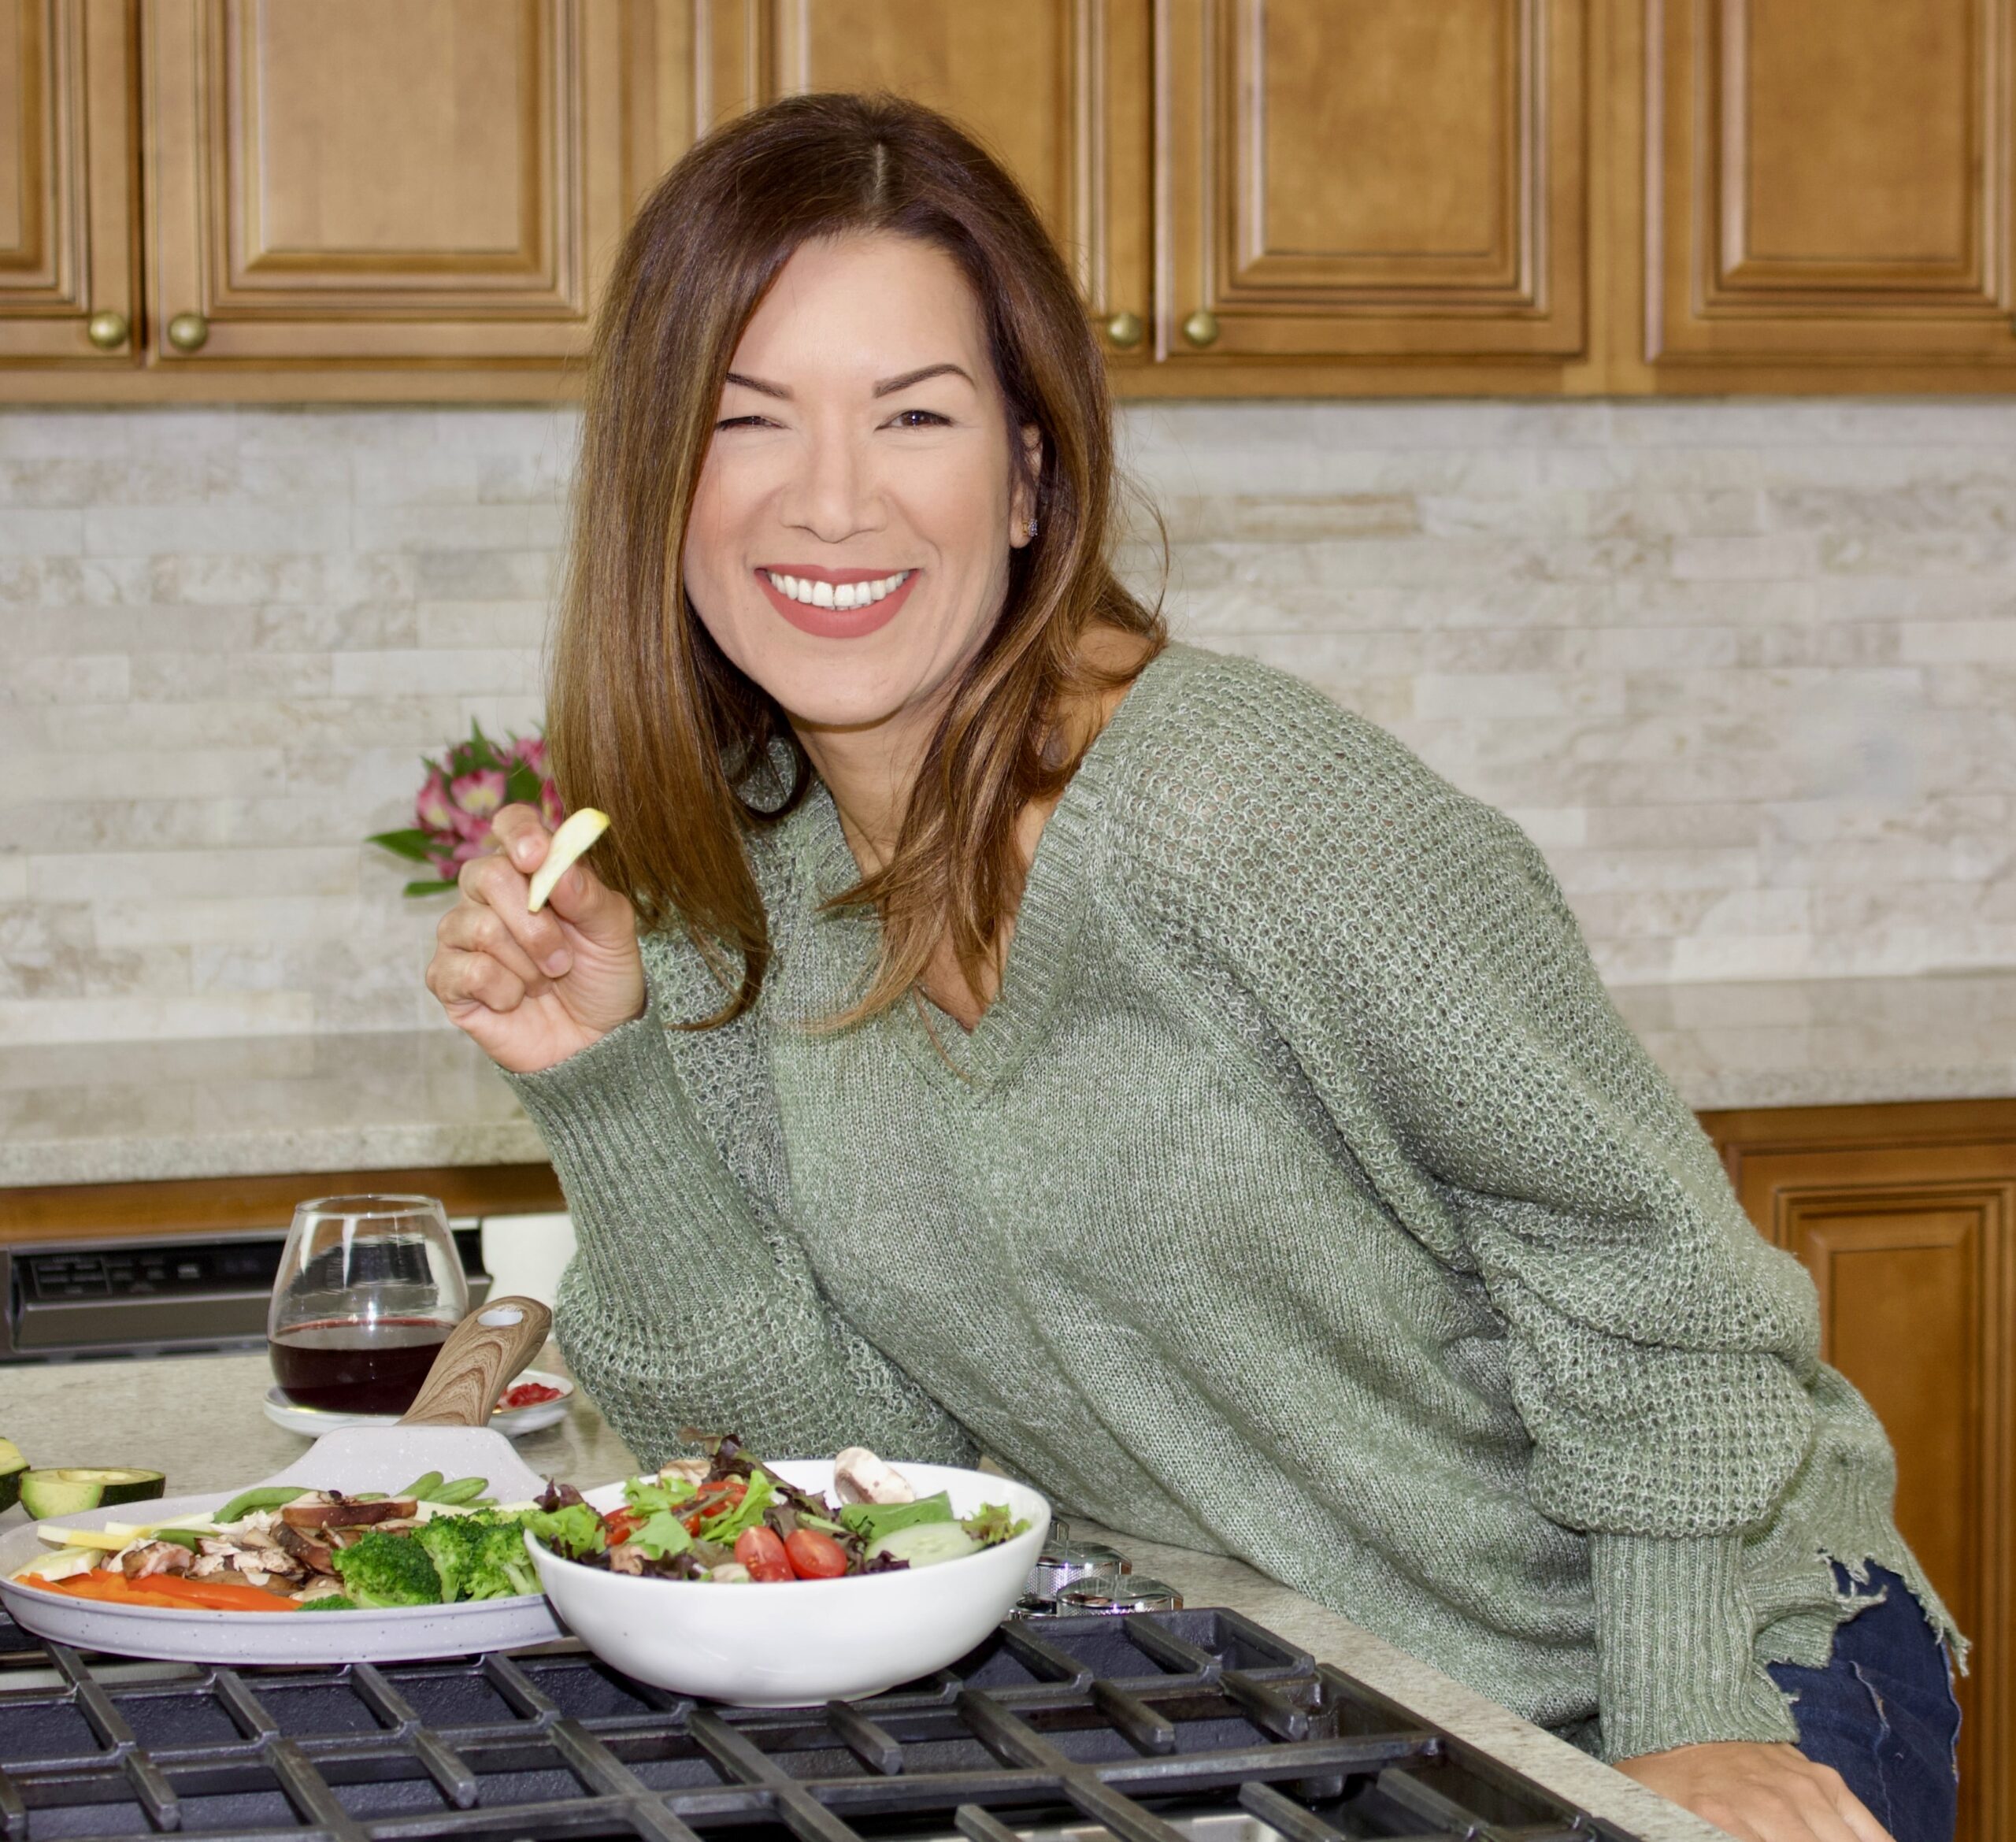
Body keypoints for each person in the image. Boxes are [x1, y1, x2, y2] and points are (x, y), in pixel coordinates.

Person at [424, 94, 1962, 1842]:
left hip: (1678, 1664)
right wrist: (605, 1085)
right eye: (745, 420)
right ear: (659, 480)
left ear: (1023, 476)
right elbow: (851, 1475)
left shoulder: (1250, 815)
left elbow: (1656, 1299)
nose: (829, 501)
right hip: (1264, 1701)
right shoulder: (721, 889)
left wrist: (1678, 1734)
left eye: (912, 416)